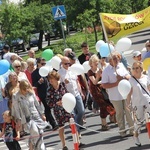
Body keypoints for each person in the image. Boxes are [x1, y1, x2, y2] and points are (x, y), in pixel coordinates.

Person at [101, 52, 134, 137]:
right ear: (110, 60)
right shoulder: (106, 71)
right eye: (115, 58)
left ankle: (132, 129)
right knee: (119, 113)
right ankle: (122, 130)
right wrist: (116, 83)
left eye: (118, 58)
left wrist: (122, 78)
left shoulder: (121, 66)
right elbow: (104, 85)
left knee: (129, 112)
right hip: (115, 96)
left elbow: (128, 76)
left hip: (126, 93)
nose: (117, 60)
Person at [12, 79, 48, 150]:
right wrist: (18, 120)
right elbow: (16, 109)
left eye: (27, 88)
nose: (26, 91)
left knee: (40, 132)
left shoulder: (31, 93)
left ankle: (33, 147)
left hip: (36, 115)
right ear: (21, 88)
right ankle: (39, 148)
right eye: (24, 89)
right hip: (27, 118)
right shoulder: (16, 96)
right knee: (34, 131)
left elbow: (37, 104)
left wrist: (42, 114)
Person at [58, 56, 85, 140]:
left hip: (76, 93)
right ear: (62, 64)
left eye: (68, 63)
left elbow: (77, 81)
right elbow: (58, 85)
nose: (67, 65)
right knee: (72, 115)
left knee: (81, 111)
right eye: (65, 64)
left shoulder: (72, 70)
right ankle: (77, 131)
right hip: (68, 96)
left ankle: (75, 126)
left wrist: (81, 92)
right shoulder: (60, 72)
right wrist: (63, 82)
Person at [88, 54, 116, 130]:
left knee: (109, 103)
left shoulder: (99, 69)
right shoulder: (90, 72)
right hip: (95, 91)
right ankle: (104, 124)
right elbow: (94, 82)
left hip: (102, 89)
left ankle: (112, 117)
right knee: (103, 106)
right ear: (91, 64)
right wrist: (98, 76)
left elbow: (103, 80)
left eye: (97, 61)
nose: (97, 63)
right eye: (95, 62)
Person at [46, 70, 71, 150]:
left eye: (52, 78)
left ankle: (77, 140)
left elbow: (67, 94)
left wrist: (65, 101)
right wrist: (56, 103)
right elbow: (48, 102)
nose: (50, 80)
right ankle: (64, 145)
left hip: (66, 108)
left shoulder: (62, 85)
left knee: (72, 124)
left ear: (56, 78)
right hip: (57, 111)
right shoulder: (49, 89)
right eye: (49, 79)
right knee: (61, 127)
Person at [127, 61, 150, 146]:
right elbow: (129, 93)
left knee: (149, 120)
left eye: (137, 68)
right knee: (139, 123)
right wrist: (128, 103)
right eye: (133, 68)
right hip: (137, 104)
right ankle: (136, 135)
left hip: (147, 101)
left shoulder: (146, 77)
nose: (135, 70)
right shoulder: (131, 80)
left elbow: (149, 88)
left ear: (141, 68)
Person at [31, 57, 58, 130]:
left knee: (48, 108)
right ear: (38, 64)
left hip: (50, 91)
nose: (43, 65)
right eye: (42, 64)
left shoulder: (48, 70)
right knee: (47, 107)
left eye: (44, 64)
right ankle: (54, 124)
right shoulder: (34, 73)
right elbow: (34, 84)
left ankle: (46, 120)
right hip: (42, 93)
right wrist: (39, 82)